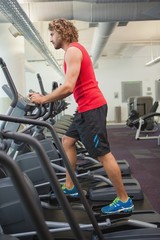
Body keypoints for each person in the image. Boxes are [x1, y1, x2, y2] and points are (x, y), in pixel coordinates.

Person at [29, 18, 134, 214]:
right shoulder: (73, 52)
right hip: (85, 107)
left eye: (52, 34)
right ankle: (71, 186)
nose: (50, 39)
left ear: (61, 32)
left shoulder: (73, 51)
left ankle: (124, 200)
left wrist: (43, 99)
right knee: (67, 141)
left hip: (91, 108)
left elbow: (68, 87)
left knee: (103, 154)